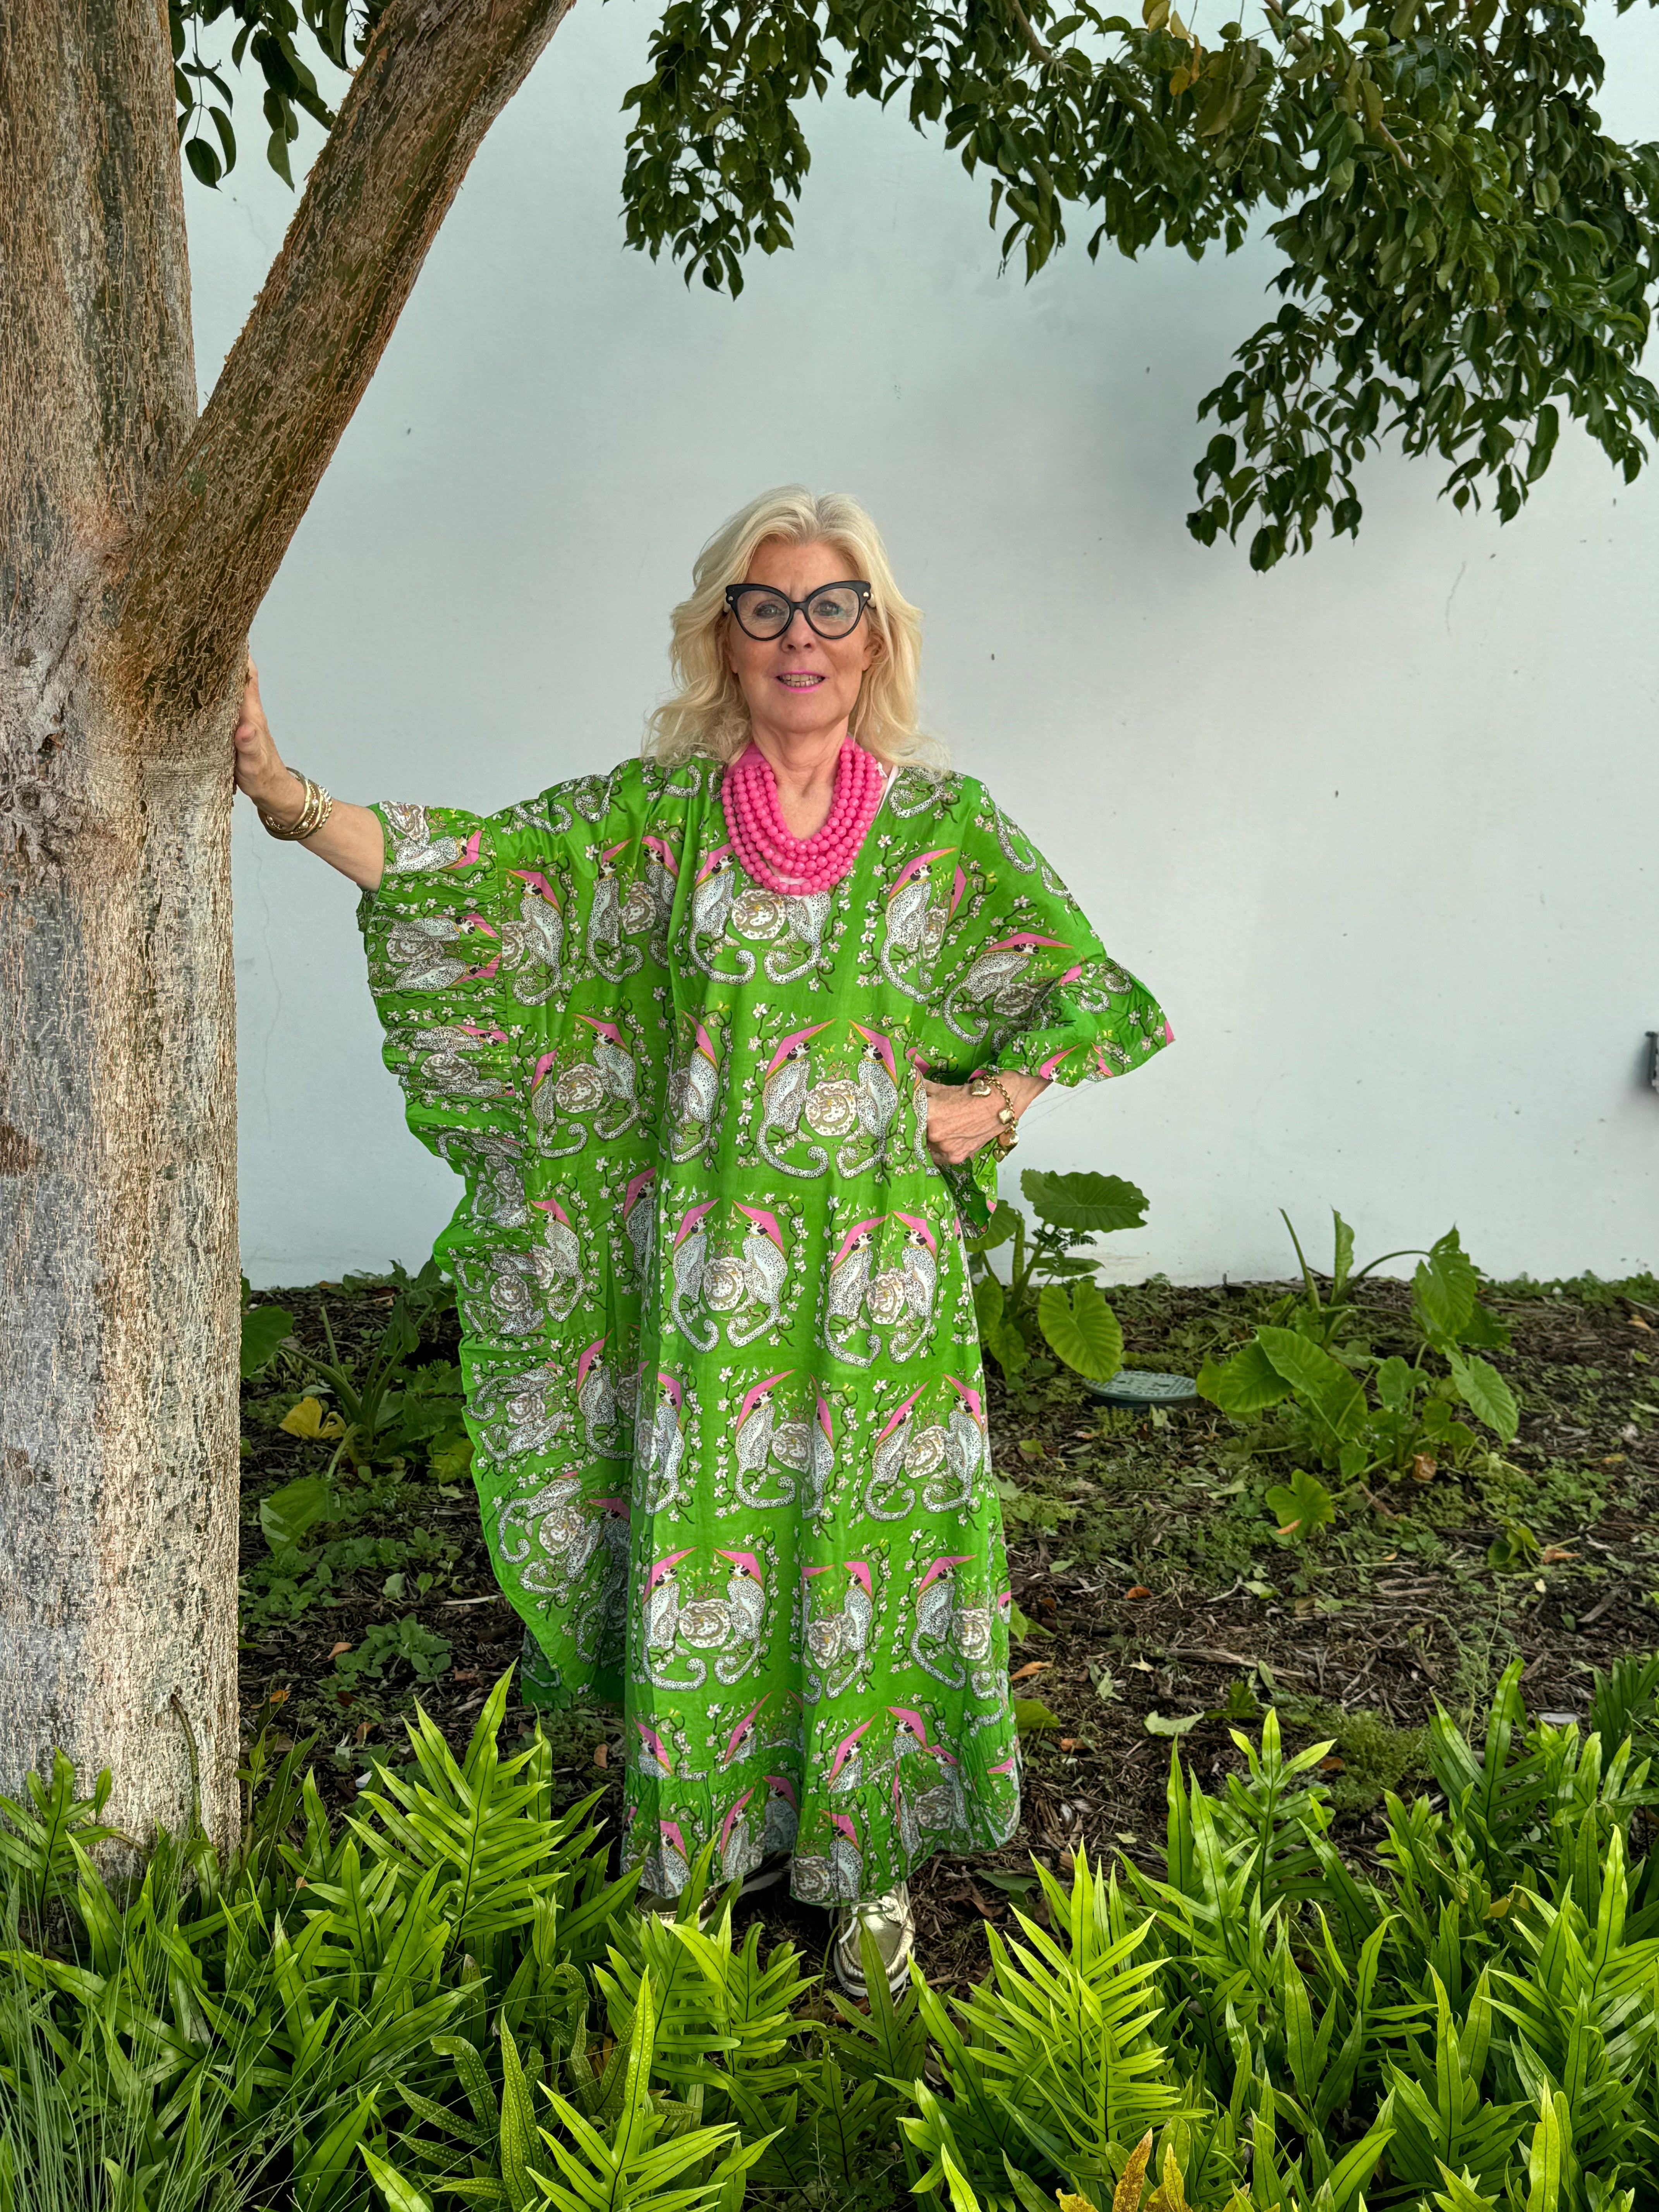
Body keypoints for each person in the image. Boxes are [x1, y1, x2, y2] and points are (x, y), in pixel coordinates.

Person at [232, 485, 1171, 1998]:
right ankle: (689, 1874)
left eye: (832, 608)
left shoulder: (942, 829)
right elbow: (477, 881)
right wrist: (282, 789)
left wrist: (994, 1099)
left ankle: (862, 1887)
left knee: (859, 1561)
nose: (801, 638)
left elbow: (1088, 992)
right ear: (723, 640)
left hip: (876, 1289)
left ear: (875, 638)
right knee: (706, 1559)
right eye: (767, 607)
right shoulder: (657, 821)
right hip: (708, 1292)